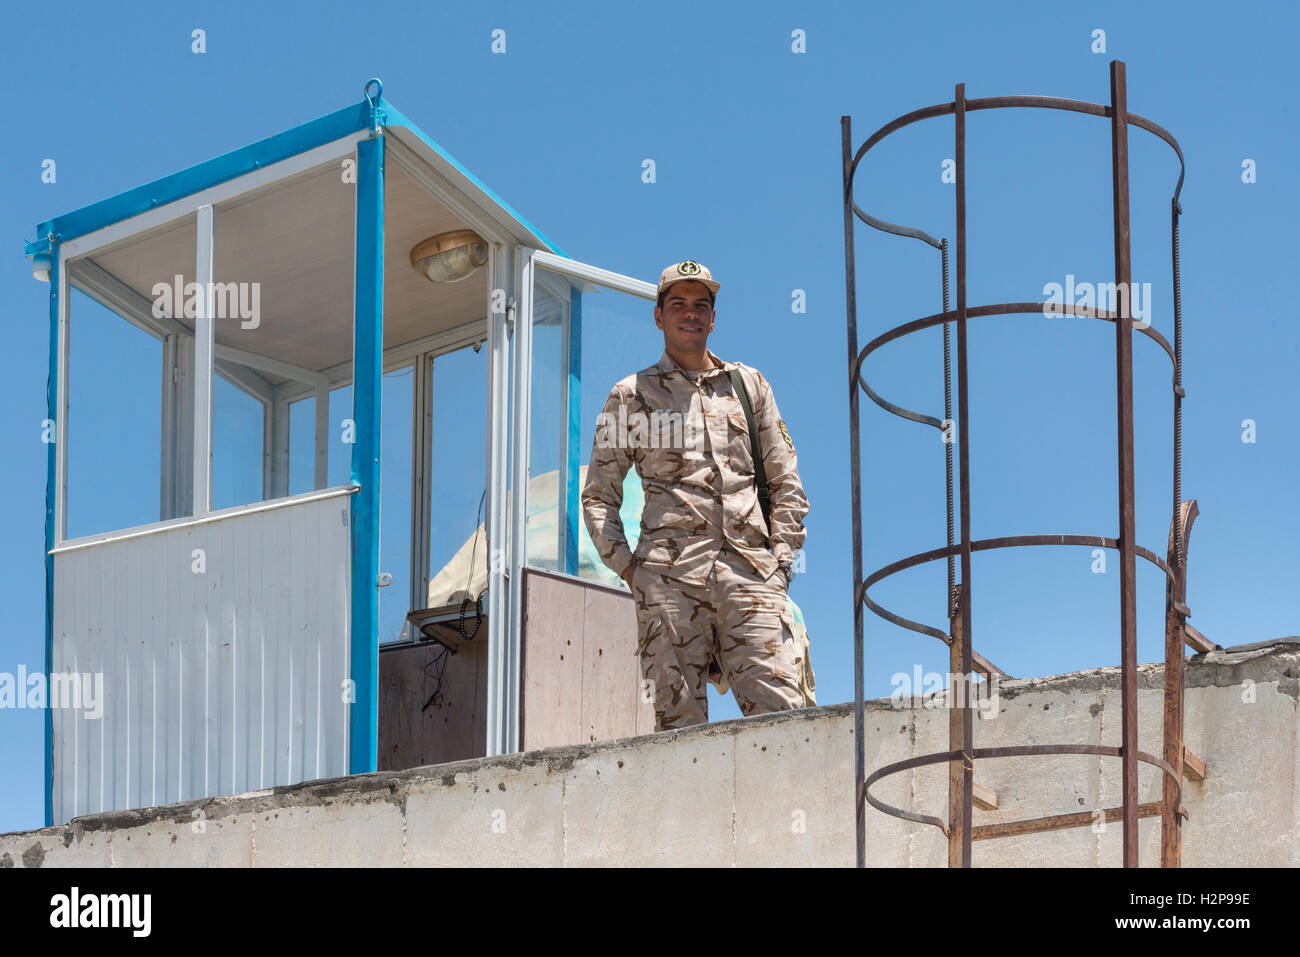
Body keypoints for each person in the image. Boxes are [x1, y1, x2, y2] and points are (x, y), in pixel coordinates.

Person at [581, 259, 812, 730]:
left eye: (701, 306)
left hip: (750, 575)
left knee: (787, 719)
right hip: (668, 583)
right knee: (677, 728)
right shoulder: (631, 395)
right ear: (659, 316)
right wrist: (631, 571)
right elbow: (598, 496)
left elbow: (786, 482)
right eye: (679, 304)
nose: (691, 314)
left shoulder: (749, 387)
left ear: (713, 318)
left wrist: (781, 565)